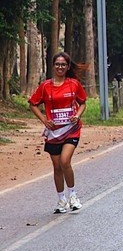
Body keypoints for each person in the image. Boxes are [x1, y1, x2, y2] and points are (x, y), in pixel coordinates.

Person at [28, 52, 87, 214]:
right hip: (54, 132)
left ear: (68, 67)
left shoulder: (73, 84)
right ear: (53, 66)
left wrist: (77, 115)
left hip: (71, 130)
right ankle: (61, 199)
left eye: (63, 64)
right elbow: (33, 104)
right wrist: (44, 120)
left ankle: (73, 196)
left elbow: (83, 103)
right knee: (56, 167)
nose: (60, 67)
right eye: (57, 64)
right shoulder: (45, 86)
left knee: (65, 161)